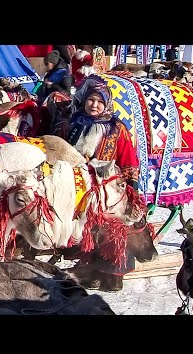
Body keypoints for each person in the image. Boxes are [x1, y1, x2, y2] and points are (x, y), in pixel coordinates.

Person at [65, 76, 141, 291]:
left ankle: (113, 276)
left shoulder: (116, 128)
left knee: (111, 231)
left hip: (108, 188)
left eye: (99, 101)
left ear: (106, 103)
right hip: (80, 185)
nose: (94, 105)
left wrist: (132, 188)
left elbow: (128, 159)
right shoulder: (73, 124)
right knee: (85, 228)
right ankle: (89, 272)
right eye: (91, 100)